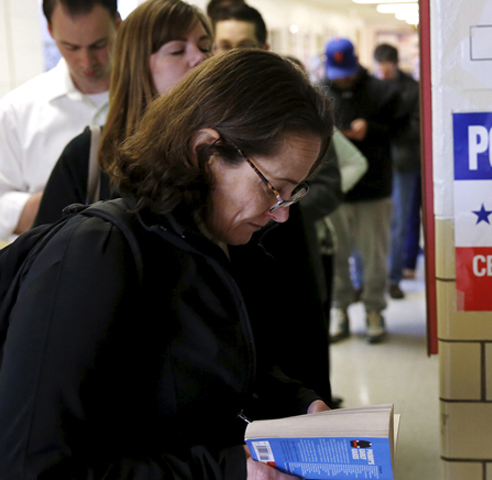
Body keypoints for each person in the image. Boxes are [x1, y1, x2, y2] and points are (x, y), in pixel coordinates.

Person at [0, 49, 334, 479]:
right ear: (205, 152)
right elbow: (32, 466)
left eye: (294, 192)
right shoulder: (95, 252)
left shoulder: (223, 247)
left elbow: (209, 374)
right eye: (274, 188)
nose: (282, 212)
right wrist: (228, 472)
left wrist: (295, 404)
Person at [209, 4, 341, 402]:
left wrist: (270, 205)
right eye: (220, 45)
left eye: (243, 46)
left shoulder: (299, 114)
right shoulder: (202, 124)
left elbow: (328, 184)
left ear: (264, 48)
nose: (229, 57)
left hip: (287, 261)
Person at [35, 0, 212, 226]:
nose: (200, 58)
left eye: (206, 47)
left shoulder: (225, 146)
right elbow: (41, 254)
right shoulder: (88, 154)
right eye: (177, 50)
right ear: (139, 64)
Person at [0, 0, 120, 241]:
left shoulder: (151, 100)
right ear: (51, 31)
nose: (87, 62)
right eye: (71, 47)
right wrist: (57, 199)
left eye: (98, 45)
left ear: (118, 24)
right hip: (50, 266)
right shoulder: (17, 110)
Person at [322, 37, 403, 344]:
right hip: (335, 192)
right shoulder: (320, 92)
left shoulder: (382, 91)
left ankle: (374, 310)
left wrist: (372, 129)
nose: (341, 77)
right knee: (338, 256)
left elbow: (401, 129)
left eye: (346, 70)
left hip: (375, 189)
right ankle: (339, 309)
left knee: (375, 257)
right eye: (336, 71)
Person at [373, 43, 422, 299]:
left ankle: (395, 277)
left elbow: (416, 127)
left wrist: (384, 130)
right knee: (372, 222)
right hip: (373, 163)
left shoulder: (412, 89)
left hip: (403, 162)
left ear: (395, 65)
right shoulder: (368, 88)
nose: (383, 78)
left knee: (400, 221)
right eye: (379, 73)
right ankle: (369, 280)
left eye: (387, 72)